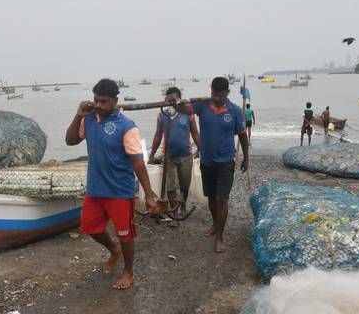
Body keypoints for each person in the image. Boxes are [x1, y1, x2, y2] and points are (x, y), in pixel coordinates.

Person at [65, 79, 157, 290]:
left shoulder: (126, 126)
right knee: (90, 228)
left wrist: (149, 195)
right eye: (96, 100)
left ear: (115, 100)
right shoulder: (89, 120)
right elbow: (70, 141)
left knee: (125, 234)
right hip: (95, 188)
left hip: (120, 191)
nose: (98, 105)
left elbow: (138, 163)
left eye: (104, 101)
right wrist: (79, 114)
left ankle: (128, 271)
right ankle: (113, 250)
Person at [174, 77, 248, 253]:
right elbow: (184, 110)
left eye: (220, 95)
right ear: (211, 91)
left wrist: (246, 157)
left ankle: (220, 237)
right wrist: (176, 103)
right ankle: (216, 224)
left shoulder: (236, 111)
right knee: (212, 198)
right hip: (207, 162)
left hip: (225, 162)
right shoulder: (203, 106)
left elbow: (243, 135)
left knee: (222, 198)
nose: (216, 98)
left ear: (227, 93)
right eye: (214, 94)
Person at [148, 86, 201, 227]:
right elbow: (158, 135)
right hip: (169, 156)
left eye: (175, 99)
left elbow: (195, 133)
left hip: (186, 155)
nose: (172, 101)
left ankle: (182, 205)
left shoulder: (188, 113)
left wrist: (200, 149)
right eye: (169, 99)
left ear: (180, 98)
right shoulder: (162, 115)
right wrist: (152, 155)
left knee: (184, 185)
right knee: (171, 187)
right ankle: (174, 215)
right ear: (165, 100)